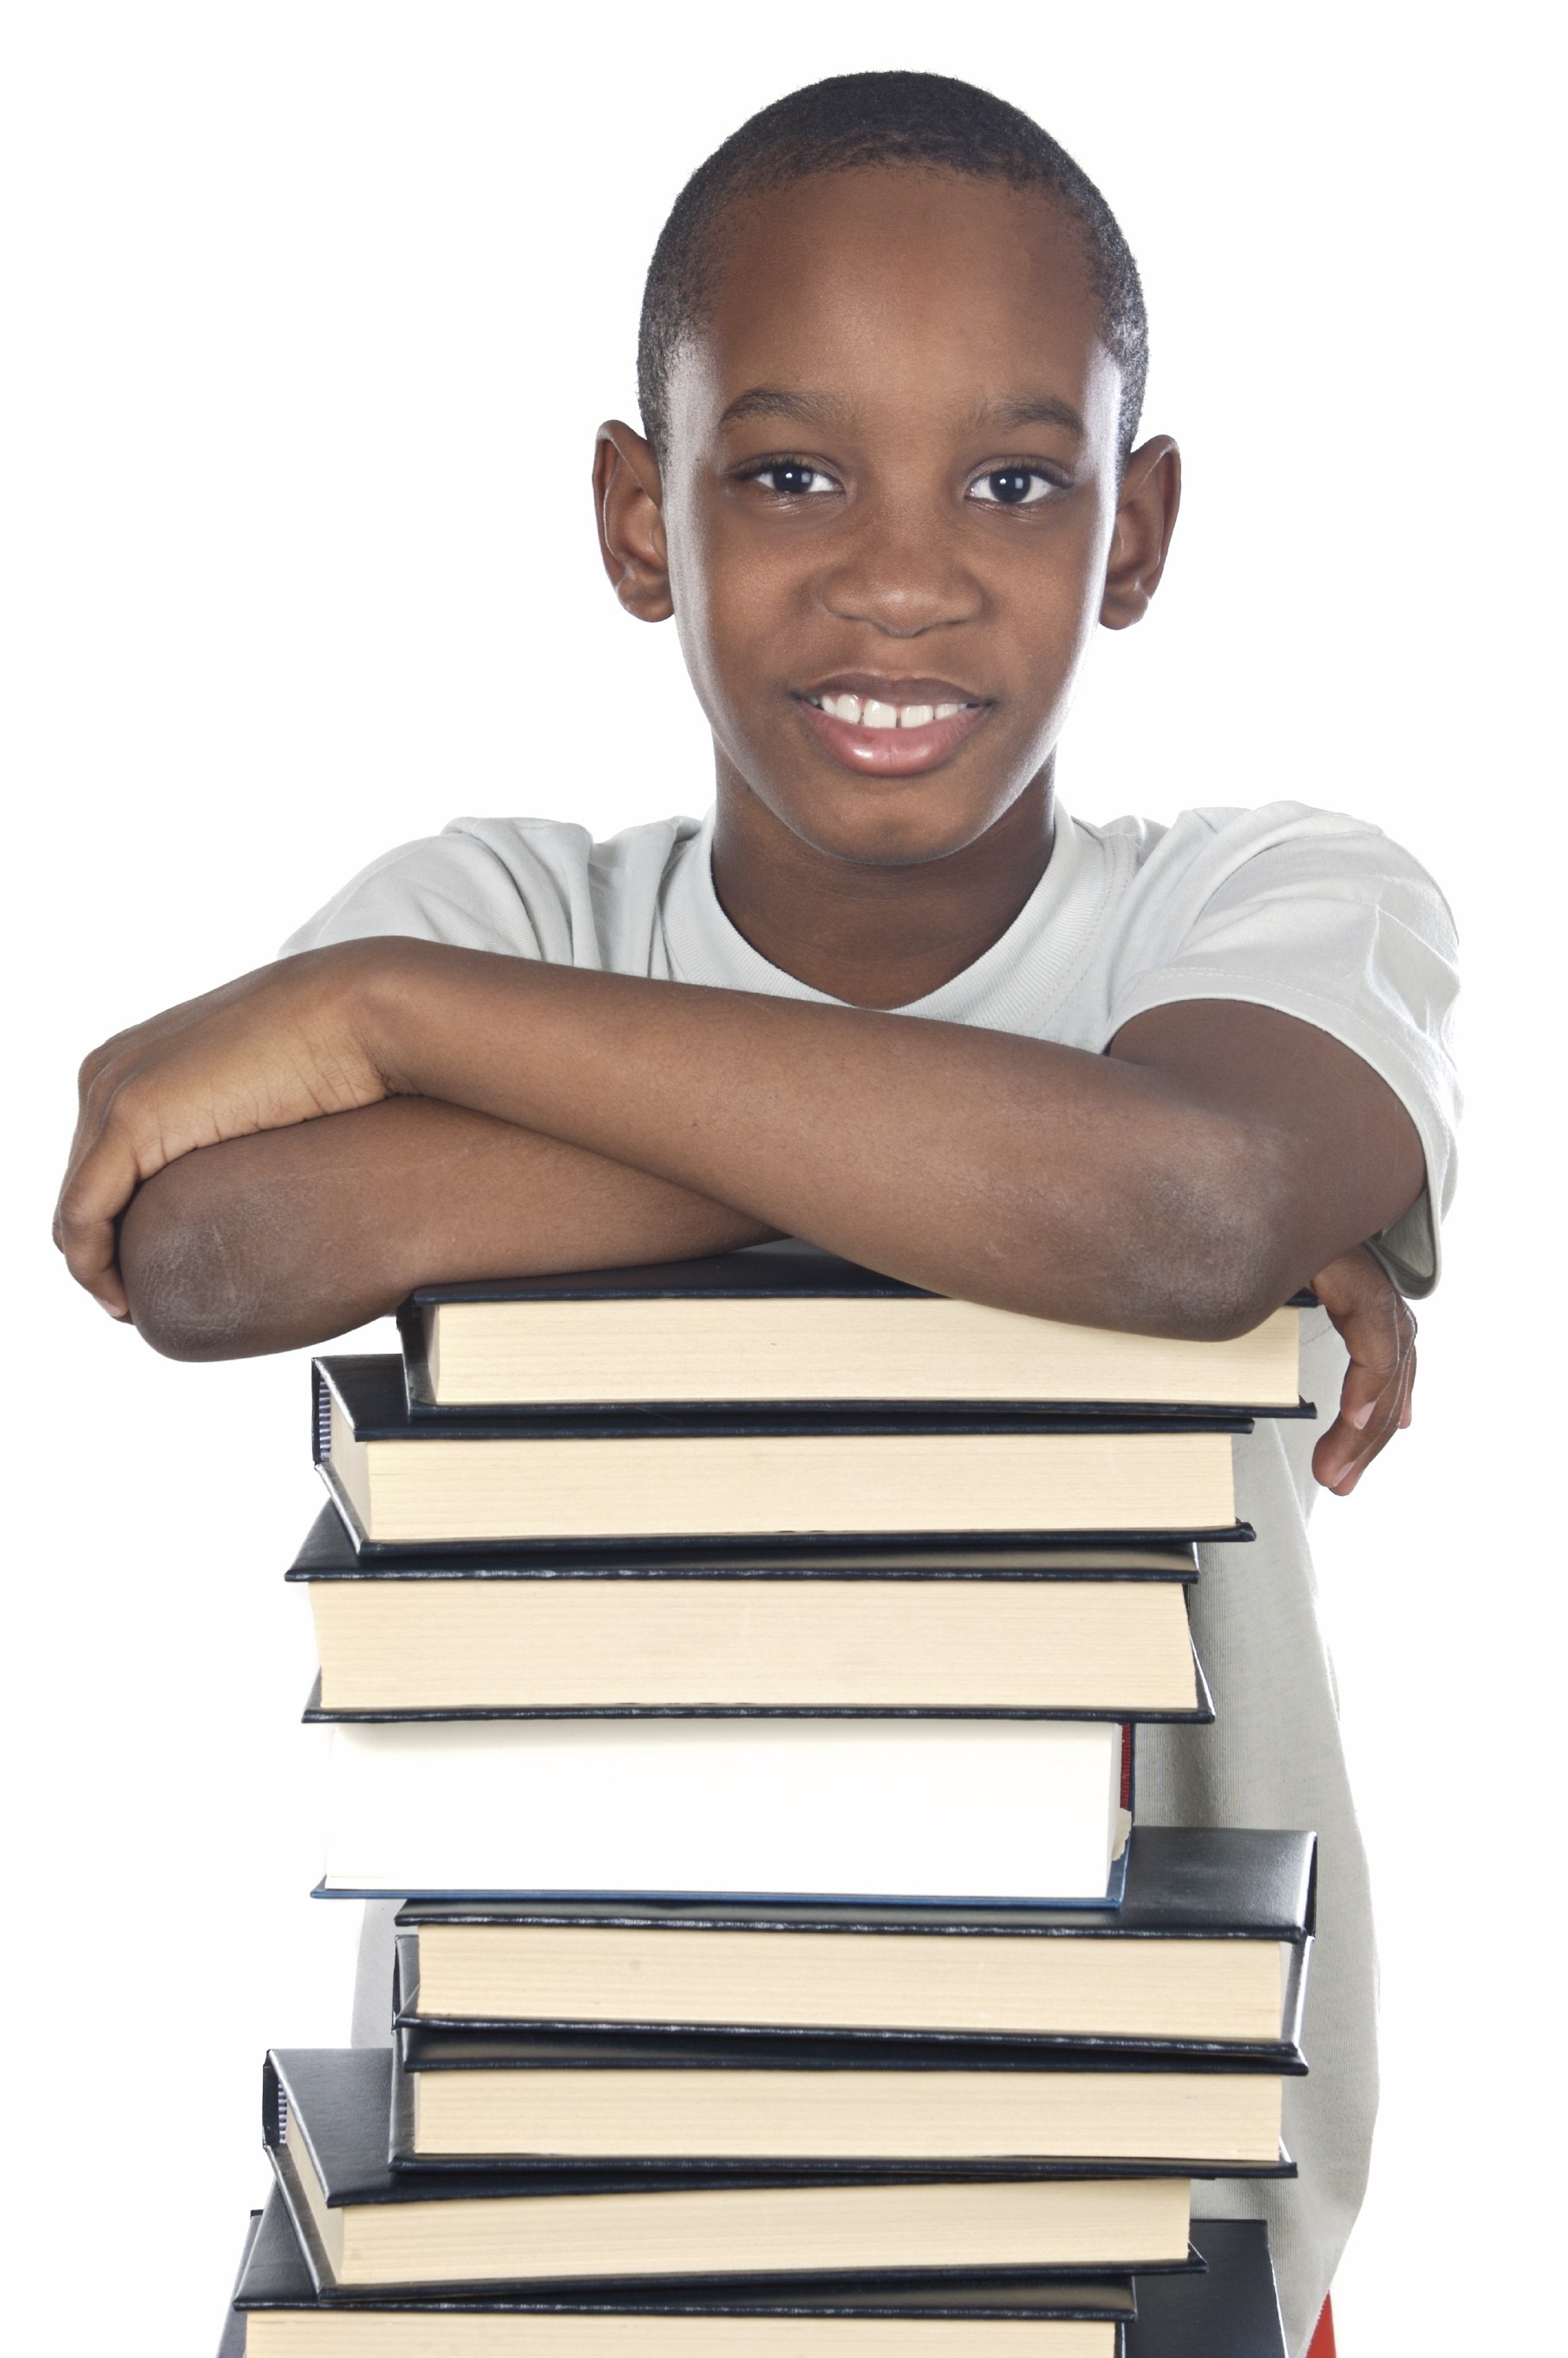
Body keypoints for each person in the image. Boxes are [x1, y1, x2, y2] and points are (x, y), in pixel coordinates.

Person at [55, 73, 1457, 2355]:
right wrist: (1040, 1184)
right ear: (639, 517)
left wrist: (397, 1022)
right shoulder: (521, 903)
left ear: (1137, 527)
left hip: (1141, 2237)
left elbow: (1189, 1201)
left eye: (1016, 480)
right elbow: (209, 1246)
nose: (899, 573)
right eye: (789, 471)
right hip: (557, 2223)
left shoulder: (1268, 905)